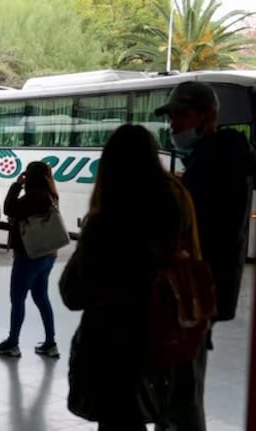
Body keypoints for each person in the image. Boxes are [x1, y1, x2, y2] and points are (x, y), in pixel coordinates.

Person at [59, 125, 203, 431]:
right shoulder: (179, 200)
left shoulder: (108, 220)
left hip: (115, 346)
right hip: (170, 332)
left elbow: (72, 293)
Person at [154, 81, 256, 431]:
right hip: (199, 290)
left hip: (194, 291)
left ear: (208, 116)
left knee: (181, 393)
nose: (174, 126)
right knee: (181, 386)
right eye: (171, 119)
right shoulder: (213, 157)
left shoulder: (220, 159)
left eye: (180, 117)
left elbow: (201, 228)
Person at [0, 161, 60, 359]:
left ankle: (12, 343)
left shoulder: (34, 196)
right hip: (47, 255)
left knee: (18, 299)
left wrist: (16, 184)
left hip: (29, 255)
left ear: (30, 177)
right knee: (41, 297)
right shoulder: (50, 195)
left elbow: (9, 208)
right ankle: (50, 343)